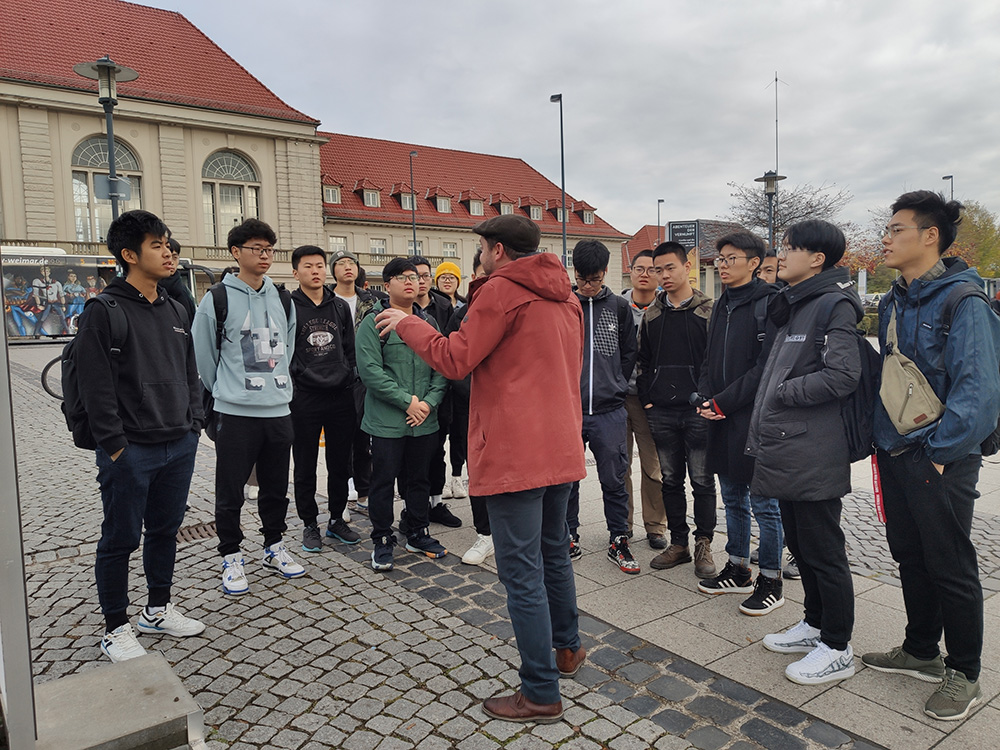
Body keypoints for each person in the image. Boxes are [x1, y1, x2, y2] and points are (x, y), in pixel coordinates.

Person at [376, 214, 586, 724]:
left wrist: (408, 323)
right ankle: (567, 649)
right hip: (559, 443)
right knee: (553, 552)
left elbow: (455, 359)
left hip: (516, 450)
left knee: (521, 571)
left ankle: (540, 692)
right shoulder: (567, 296)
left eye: (482, 249)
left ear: (496, 250)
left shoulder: (500, 291)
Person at [862, 191, 1000, 721]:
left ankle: (965, 671)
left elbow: (978, 393)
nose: (886, 238)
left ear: (930, 236)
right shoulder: (895, 300)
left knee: (950, 563)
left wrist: (939, 455)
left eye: (895, 229)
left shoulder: (963, 300)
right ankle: (920, 650)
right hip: (895, 447)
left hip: (941, 457)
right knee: (910, 554)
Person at [75, 209, 205, 662]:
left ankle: (158, 608)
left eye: (168, 244)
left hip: (178, 442)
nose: (168, 253)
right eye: (157, 245)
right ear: (129, 255)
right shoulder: (103, 310)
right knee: (120, 538)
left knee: (165, 531)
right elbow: (95, 388)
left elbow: (189, 372)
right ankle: (115, 626)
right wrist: (115, 447)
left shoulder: (175, 308)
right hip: (130, 449)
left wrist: (193, 424)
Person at [751, 219, 861, 686]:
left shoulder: (834, 303)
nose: (781, 254)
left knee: (823, 550)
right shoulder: (797, 302)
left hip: (813, 448)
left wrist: (784, 391)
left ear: (817, 259)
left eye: (790, 248)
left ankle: (837, 646)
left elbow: (843, 375)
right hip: (788, 444)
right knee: (799, 544)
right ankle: (814, 624)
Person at [192, 218, 303, 596]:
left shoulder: (283, 299)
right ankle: (231, 554)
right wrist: (227, 391)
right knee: (230, 490)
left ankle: (274, 546)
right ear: (236, 252)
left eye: (269, 249)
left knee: (275, 487)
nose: (265, 255)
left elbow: (287, 349)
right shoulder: (217, 299)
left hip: (278, 409)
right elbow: (204, 358)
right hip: (235, 412)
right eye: (257, 249)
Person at [695, 233, 784, 615]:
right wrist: (704, 398)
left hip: (754, 417)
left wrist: (723, 401)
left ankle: (772, 579)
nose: (723, 265)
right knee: (731, 496)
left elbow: (766, 368)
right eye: (721, 258)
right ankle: (738, 568)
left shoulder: (770, 302)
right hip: (721, 415)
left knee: (764, 502)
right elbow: (708, 358)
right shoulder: (721, 303)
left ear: (754, 263)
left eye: (731, 258)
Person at [358, 257, 448, 570]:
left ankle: (418, 531)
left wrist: (428, 403)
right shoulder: (374, 322)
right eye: (402, 277)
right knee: (383, 481)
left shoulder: (428, 322)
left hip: (424, 420)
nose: (411, 282)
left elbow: (441, 364)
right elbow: (370, 371)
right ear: (387, 285)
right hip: (388, 421)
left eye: (414, 277)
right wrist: (407, 403)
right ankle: (382, 538)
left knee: (419, 479)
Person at [637, 242, 717, 579]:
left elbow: (716, 361)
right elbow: (642, 360)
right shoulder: (652, 314)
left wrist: (709, 398)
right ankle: (679, 543)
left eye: (670, 267)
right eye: (658, 270)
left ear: (687, 267)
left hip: (698, 410)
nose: (664, 275)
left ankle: (703, 544)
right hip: (662, 410)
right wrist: (648, 398)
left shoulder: (709, 311)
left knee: (702, 481)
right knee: (670, 480)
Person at [565, 240, 639, 574]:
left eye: (594, 279)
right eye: (582, 278)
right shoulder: (565, 304)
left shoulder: (619, 307)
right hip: (570, 408)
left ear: (605, 273)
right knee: (567, 479)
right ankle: (568, 535)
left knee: (614, 477)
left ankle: (619, 538)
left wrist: (617, 383)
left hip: (609, 410)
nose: (587, 286)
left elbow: (629, 351)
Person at [288, 245, 360, 553]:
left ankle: (336, 519)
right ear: (296, 272)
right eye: (308, 266)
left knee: (340, 463)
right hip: (305, 397)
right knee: (304, 464)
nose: (315, 271)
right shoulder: (289, 306)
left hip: (339, 396)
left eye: (319, 265)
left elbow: (349, 349)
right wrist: (298, 379)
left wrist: (348, 376)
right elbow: (286, 351)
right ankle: (309, 523)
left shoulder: (339, 306)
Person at [401, 255, 461, 527]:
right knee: (408, 456)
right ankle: (411, 506)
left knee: (437, 451)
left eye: (425, 275)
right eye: (415, 276)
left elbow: (450, 347)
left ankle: (436, 503)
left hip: (439, 393)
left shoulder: (445, 306)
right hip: (408, 395)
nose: (420, 281)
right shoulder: (399, 307)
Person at [330, 248, 382, 515]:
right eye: (341, 263)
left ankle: (364, 490)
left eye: (351, 262)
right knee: (340, 440)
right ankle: (342, 494)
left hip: (363, 375)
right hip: (334, 377)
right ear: (333, 270)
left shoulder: (371, 301)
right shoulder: (326, 300)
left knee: (363, 437)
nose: (347, 267)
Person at [448, 251, 491, 565]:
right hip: (471, 404)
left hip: (508, 408)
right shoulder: (462, 314)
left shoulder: (516, 309)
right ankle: (485, 533)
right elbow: (453, 359)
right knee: (477, 470)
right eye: (482, 275)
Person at [623, 250, 668, 549]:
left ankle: (655, 526)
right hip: (617, 396)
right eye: (639, 268)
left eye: (652, 269)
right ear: (630, 271)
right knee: (619, 465)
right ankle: (622, 523)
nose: (645, 274)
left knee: (654, 466)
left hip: (650, 399)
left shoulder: (665, 309)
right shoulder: (616, 306)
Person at [435, 260, 469, 500]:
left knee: (460, 432)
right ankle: (439, 484)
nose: (447, 281)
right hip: (439, 380)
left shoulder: (466, 307)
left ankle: (457, 477)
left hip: (461, 384)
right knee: (439, 436)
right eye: (443, 277)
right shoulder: (431, 304)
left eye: (452, 277)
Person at [159, 238, 197, 322]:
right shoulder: (151, 288)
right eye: (167, 257)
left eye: (175, 257)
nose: (171, 262)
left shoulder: (183, 290)